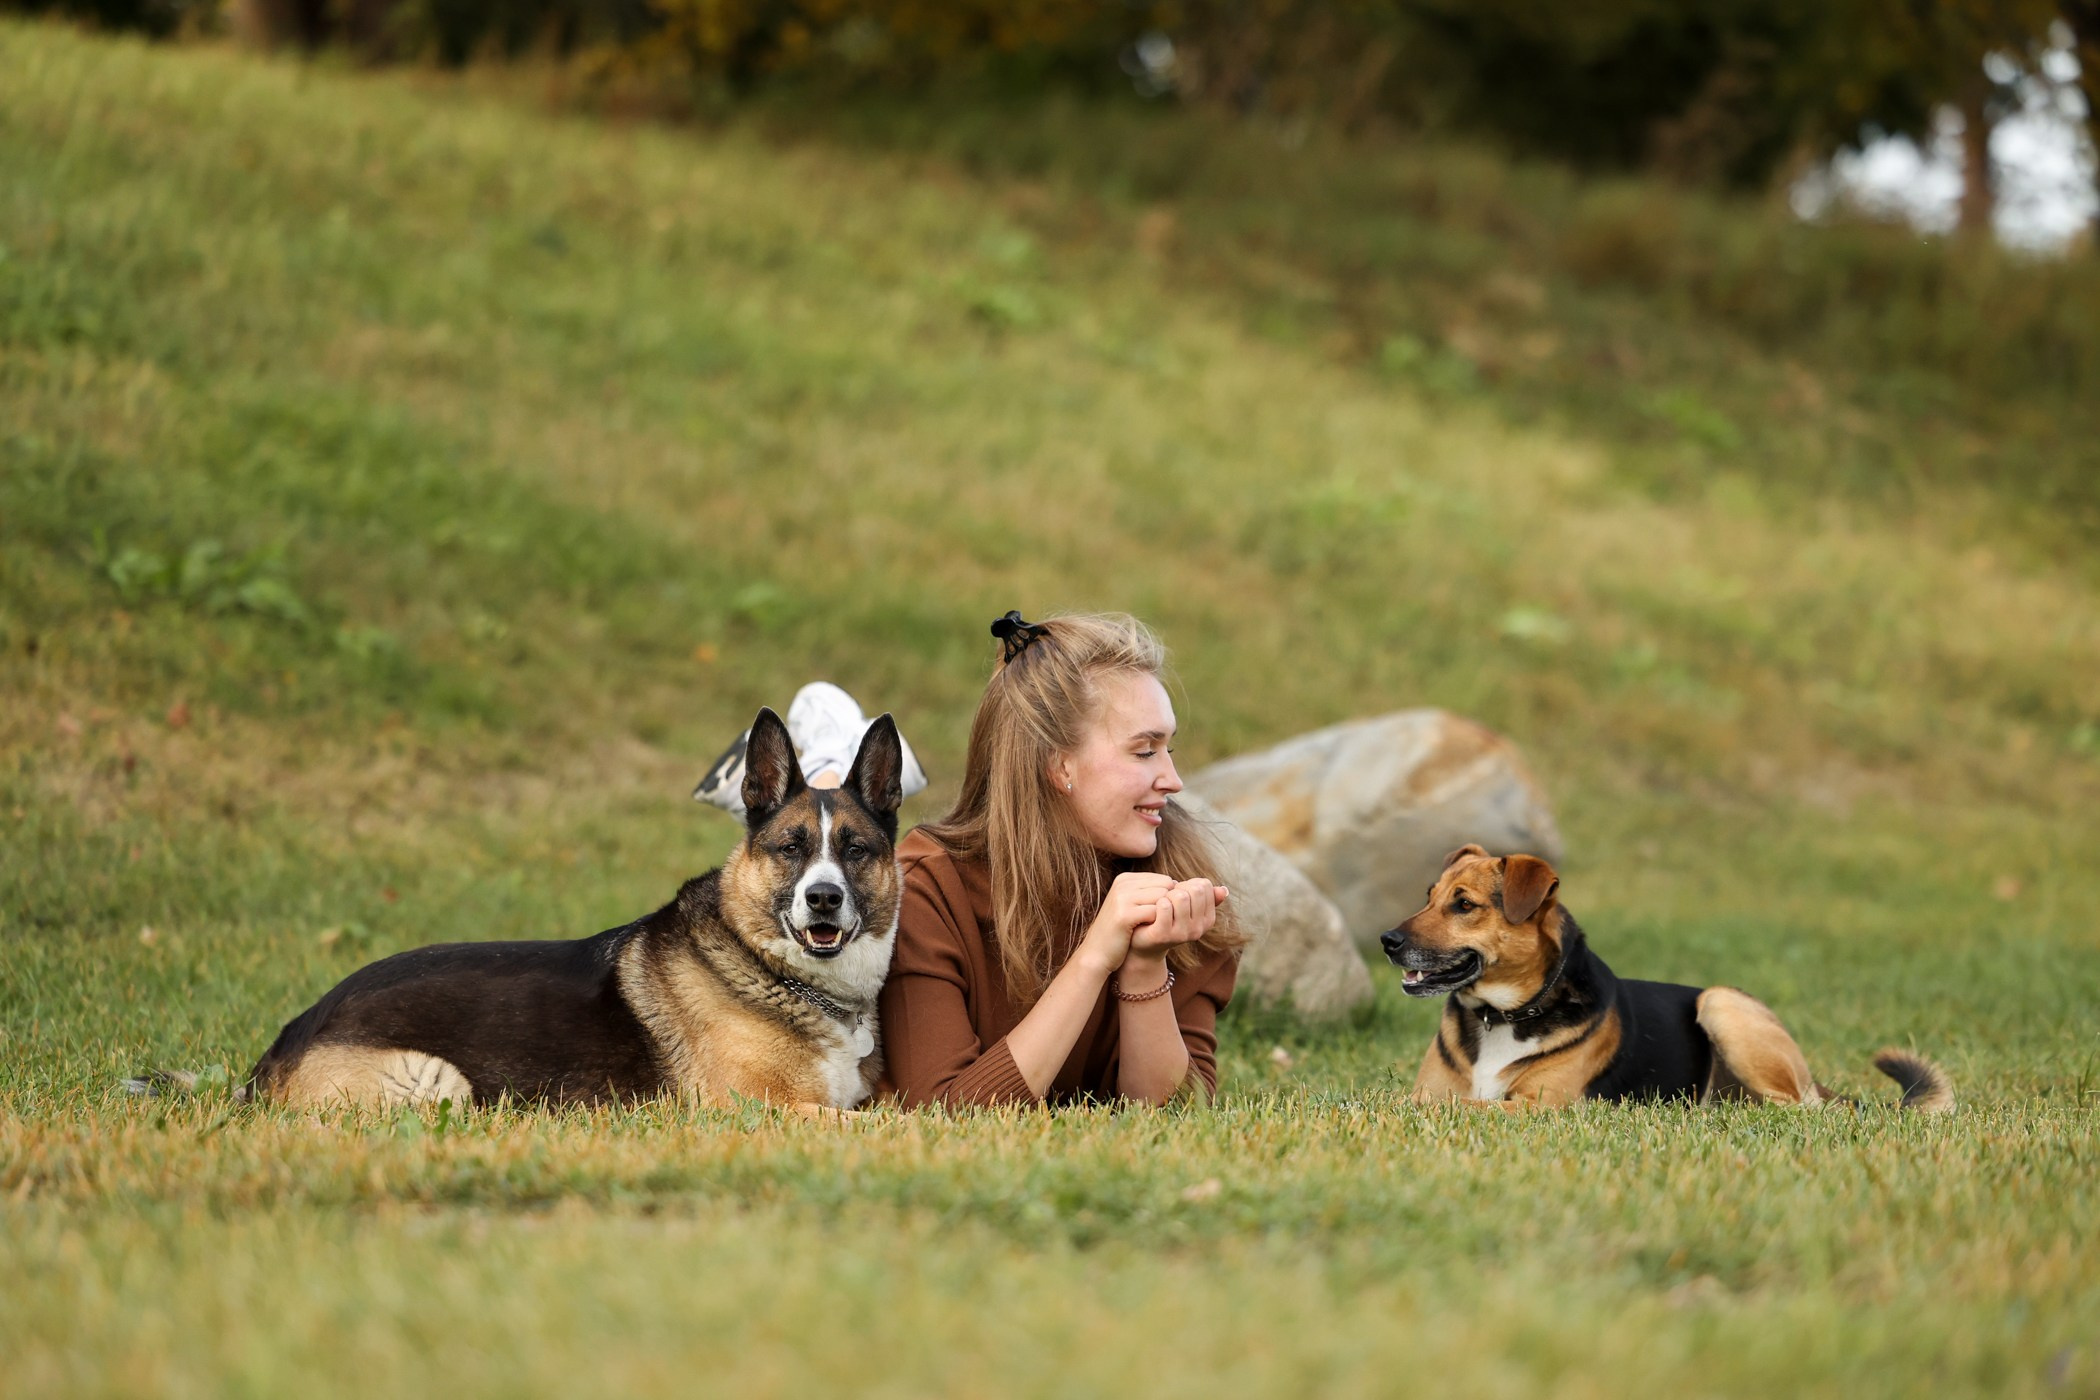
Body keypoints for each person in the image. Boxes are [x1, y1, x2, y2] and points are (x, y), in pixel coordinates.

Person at [879, 611, 1244, 1108]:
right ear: (1058, 763)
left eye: (1169, 749)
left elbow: (1179, 1120)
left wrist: (1144, 966)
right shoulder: (928, 891)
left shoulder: (1174, 880)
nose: (1173, 779)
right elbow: (943, 1115)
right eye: (1144, 752)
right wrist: (1095, 956)